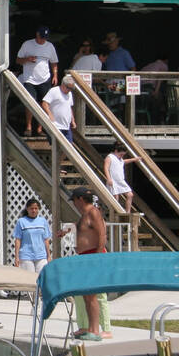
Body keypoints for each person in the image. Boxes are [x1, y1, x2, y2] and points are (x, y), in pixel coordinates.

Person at [69, 188, 110, 339]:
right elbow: (82, 229)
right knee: (87, 296)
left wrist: (98, 257)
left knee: (92, 296)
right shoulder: (84, 215)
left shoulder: (93, 212)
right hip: (85, 256)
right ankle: (90, 328)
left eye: (74, 200)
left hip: (93, 256)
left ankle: (95, 330)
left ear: (80, 199)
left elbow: (102, 234)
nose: (74, 204)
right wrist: (67, 231)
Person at [16, 25, 60, 136]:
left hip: (45, 78)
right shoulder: (27, 44)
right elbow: (18, 60)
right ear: (37, 35)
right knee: (30, 102)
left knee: (44, 103)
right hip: (30, 79)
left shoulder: (50, 46)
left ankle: (40, 128)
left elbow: (54, 62)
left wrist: (55, 75)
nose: (43, 40)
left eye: (45, 38)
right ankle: (29, 126)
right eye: (41, 37)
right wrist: (27, 59)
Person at [12, 198, 53, 276]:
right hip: (26, 256)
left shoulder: (43, 221)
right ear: (27, 209)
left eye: (36, 208)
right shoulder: (21, 221)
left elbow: (46, 239)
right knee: (29, 278)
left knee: (41, 278)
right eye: (31, 208)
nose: (34, 210)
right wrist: (16, 257)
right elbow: (18, 240)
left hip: (41, 255)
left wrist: (48, 255)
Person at [104, 143, 141, 214]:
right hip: (113, 180)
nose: (122, 156)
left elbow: (123, 162)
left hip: (120, 180)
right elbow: (106, 167)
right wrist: (109, 178)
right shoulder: (110, 157)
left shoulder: (120, 159)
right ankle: (115, 212)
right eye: (121, 154)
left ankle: (127, 212)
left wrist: (134, 159)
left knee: (130, 194)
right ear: (116, 151)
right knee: (116, 197)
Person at [41, 75, 76, 145]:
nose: (69, 90)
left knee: (69, 147)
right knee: (57, 147)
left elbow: (69, 107)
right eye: (68, 88)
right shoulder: (54, 91)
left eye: (71, 88)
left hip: (66, 126)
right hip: (56, 125)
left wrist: (73, 120)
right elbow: (44, 103)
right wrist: (49, 114)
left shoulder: (70, 94)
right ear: (63, 84)